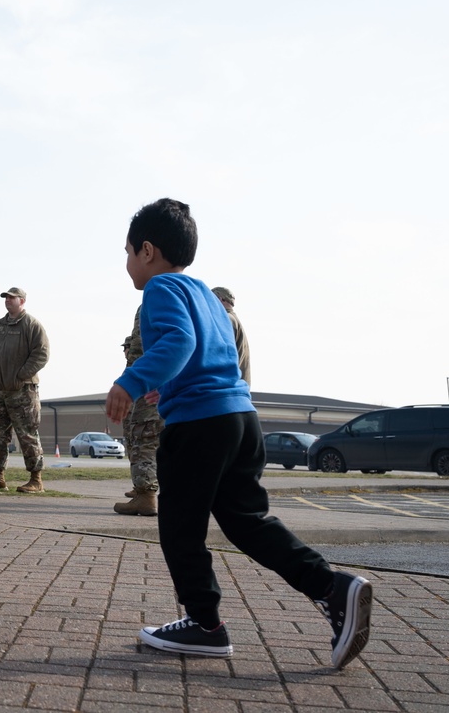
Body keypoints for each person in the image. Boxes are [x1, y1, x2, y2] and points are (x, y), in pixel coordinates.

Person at [105, 198, 372, 668]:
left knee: (180, 529)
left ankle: (205, 626)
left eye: (127, 251)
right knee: (248, 522)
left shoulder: (160, 288)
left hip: (200, 428)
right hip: (240, 420)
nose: (126, 263)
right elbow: (206, 354)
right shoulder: (206, 294)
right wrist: (165, 389)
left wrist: (131, 381)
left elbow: (179, 342)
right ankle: (332, 588)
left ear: (147, 250)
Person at [0, 287, 50, 493]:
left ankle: (36, 479)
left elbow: (42, 353)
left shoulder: (31, 325)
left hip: (22, 390)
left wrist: (21, 375)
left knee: (27, 434)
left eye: (12, 298)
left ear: (22, 301)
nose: (7, 301)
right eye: (6, 298)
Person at [114, 307, 163, 516]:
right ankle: (145, 493)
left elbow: (142, 353)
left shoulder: (157, 299)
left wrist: (130, 384)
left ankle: (146, 496)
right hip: (158, 383)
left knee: (144, 437)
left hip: (150, 385)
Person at [212, 286, 251, 386]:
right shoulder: (234, 320)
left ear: (220, 299)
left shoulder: (226, 320)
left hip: (227, 389)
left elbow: (219, 356)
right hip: (237, 389)